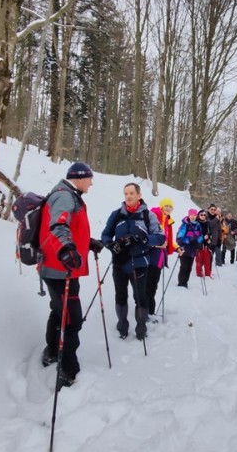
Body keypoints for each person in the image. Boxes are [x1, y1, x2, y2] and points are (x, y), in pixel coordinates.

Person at [36, 162, 102, 388]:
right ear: (79, 178)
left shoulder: (68, 195)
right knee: (72, 319)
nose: (91, 183)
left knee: (59, 311)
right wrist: (66, 249)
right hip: (60, 269)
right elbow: (58, 226)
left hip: (60, 267)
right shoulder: (65, 196)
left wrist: (87, 243)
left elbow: (71, 228)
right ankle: (67, 369)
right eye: (90, 179)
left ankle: (52, 351)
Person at [100, 183, 165, 341]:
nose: (128, 196)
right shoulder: (116, 215)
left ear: (139, 195)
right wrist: (110, 244)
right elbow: (105, 234)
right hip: (119, 263)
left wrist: (142, 238)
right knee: (120, 296)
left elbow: (160, 237)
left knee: (140, 298)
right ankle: (122, 326)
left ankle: (141, 328)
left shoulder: (148, 216)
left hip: (140, 263)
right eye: (126, 193)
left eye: (131, 193)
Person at [148, 197, 176, 317]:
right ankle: (146, 312)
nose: (168, 208)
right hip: (150, 256)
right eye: (166, 206)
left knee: (153, 285)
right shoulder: (154, 217)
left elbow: (168, 240)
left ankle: (150, 311)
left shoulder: (167, 221)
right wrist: (156, 244)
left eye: (170, 207)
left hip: (159, 258)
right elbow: (147, 235)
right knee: (149, 285)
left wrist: (177, 248)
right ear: (161, 206)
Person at [176, 209, 204, 288]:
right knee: (184, 266)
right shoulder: (185, 224)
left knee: (189, 267)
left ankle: (185, 282)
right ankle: (181, 283)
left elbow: (201, 236)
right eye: (191, 215)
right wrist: (187, 240)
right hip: (185, 248)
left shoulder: (198, 225)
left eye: (194, 215)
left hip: (193, 249)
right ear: (189, 215)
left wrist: (198, 242)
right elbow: (180, 236)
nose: (193, 216)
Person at [195, 210, 213, 278]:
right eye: (201, 215)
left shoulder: (208, 223)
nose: (203, 216)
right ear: (198, 215)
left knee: (207, 261)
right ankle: (199, 274)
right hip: (199, 245)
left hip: (206, 245)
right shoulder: (196, 223)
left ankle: (208, 275)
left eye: (204, 215)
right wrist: (203, 237)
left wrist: (209, 238)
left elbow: (210, 233)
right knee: (199, 261)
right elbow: (195, 234)